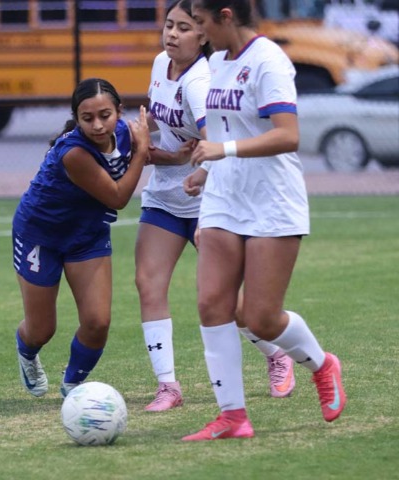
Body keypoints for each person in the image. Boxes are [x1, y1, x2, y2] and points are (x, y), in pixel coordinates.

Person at [181, 0, 346, 441]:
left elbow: (287, 135)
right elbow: (224, 132)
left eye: (201, 22)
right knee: (212, 304)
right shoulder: (218, 61)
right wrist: (207, 168)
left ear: (227, 15)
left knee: (261, 318)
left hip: (271, 200)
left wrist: (223, 151)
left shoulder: (269, 60)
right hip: (224, 197)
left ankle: (322, 365)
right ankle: (233, 417)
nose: (198, 33)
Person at [137, 0, 295, 412]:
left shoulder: (201, 83)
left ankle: (277, 355)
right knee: (148, 283)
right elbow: (164, 122)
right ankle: (168, 386)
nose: (172, 34)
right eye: (169, 25)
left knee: (229, 303)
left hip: (206, 199)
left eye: (184, 27)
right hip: (164, 197)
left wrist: (190, 169)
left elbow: (214, 145)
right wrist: (140, 133)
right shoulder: (160, 64)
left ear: (203, 35)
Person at [13, 78, 150, 398]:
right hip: (40, 235)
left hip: (87, 235)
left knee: (97, 323)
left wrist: (181, 154)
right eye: (87, 118)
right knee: (41, 330)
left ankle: (73, 388)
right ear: (76, 118)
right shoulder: (73, 153)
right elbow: (117, 197)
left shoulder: (124, 134)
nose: (98, 125)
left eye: (105, 115)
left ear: (119, 112)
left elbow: (145, 152)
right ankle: (26, 352)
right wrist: (142, 150)